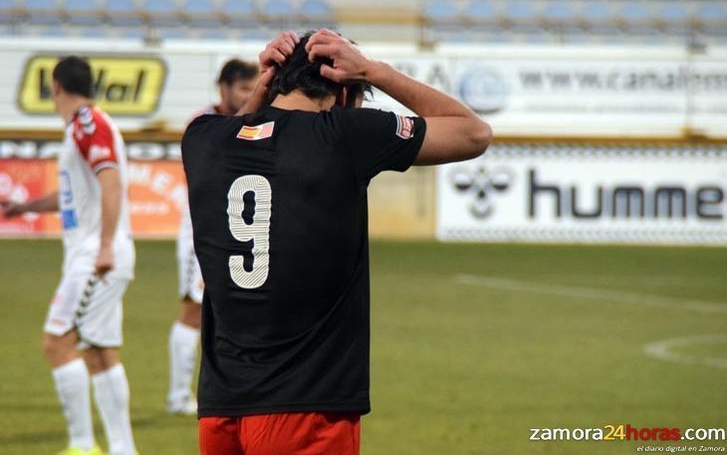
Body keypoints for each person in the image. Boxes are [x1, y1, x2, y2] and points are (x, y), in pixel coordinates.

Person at [182, 29, 492, 455]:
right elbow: (473, 133)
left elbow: (245, 130)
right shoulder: (344, 135)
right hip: (305, 406)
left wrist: (263, 86)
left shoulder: (202, 139)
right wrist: (374, 71)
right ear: (345, 94)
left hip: (221, 407)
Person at [0, 56, 138, 455]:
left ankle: (81, 445)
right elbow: (75, 198)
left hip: (96, 253)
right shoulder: (83, 127)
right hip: (100, 250)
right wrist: (24, 208)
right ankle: (122, 448)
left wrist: (107, 244)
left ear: (56, 87)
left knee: (56, 341)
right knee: (98, 350)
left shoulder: (86, 124)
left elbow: (110, 180)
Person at [168, 59, 259, 415]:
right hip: (202, 230)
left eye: (253, 88)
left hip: (239, 229)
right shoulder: (204, 124)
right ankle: (177, 396)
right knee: (193, 309)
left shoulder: (254, 121)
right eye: (242, 88)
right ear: (223, 87)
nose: (248, 95)